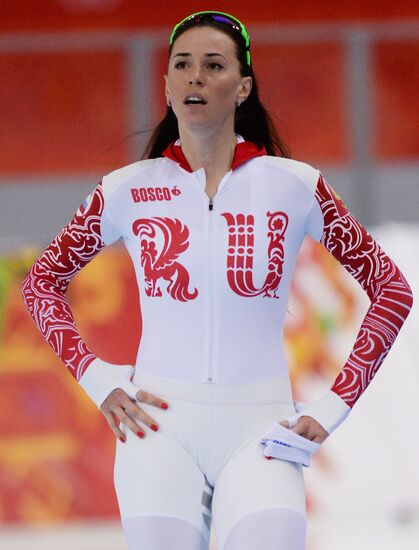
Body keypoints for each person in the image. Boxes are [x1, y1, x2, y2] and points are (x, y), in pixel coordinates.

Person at [21, 10, 413, 550]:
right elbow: (42, 281)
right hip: (156, 431)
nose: (195, 78)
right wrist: (96, 378)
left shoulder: (296, 186)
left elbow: (392, 290)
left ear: (243, 86)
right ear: (164, 85)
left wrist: (333, 407)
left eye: (213, 65)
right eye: (181, 65)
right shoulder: (127, 189)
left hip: (263, 432)